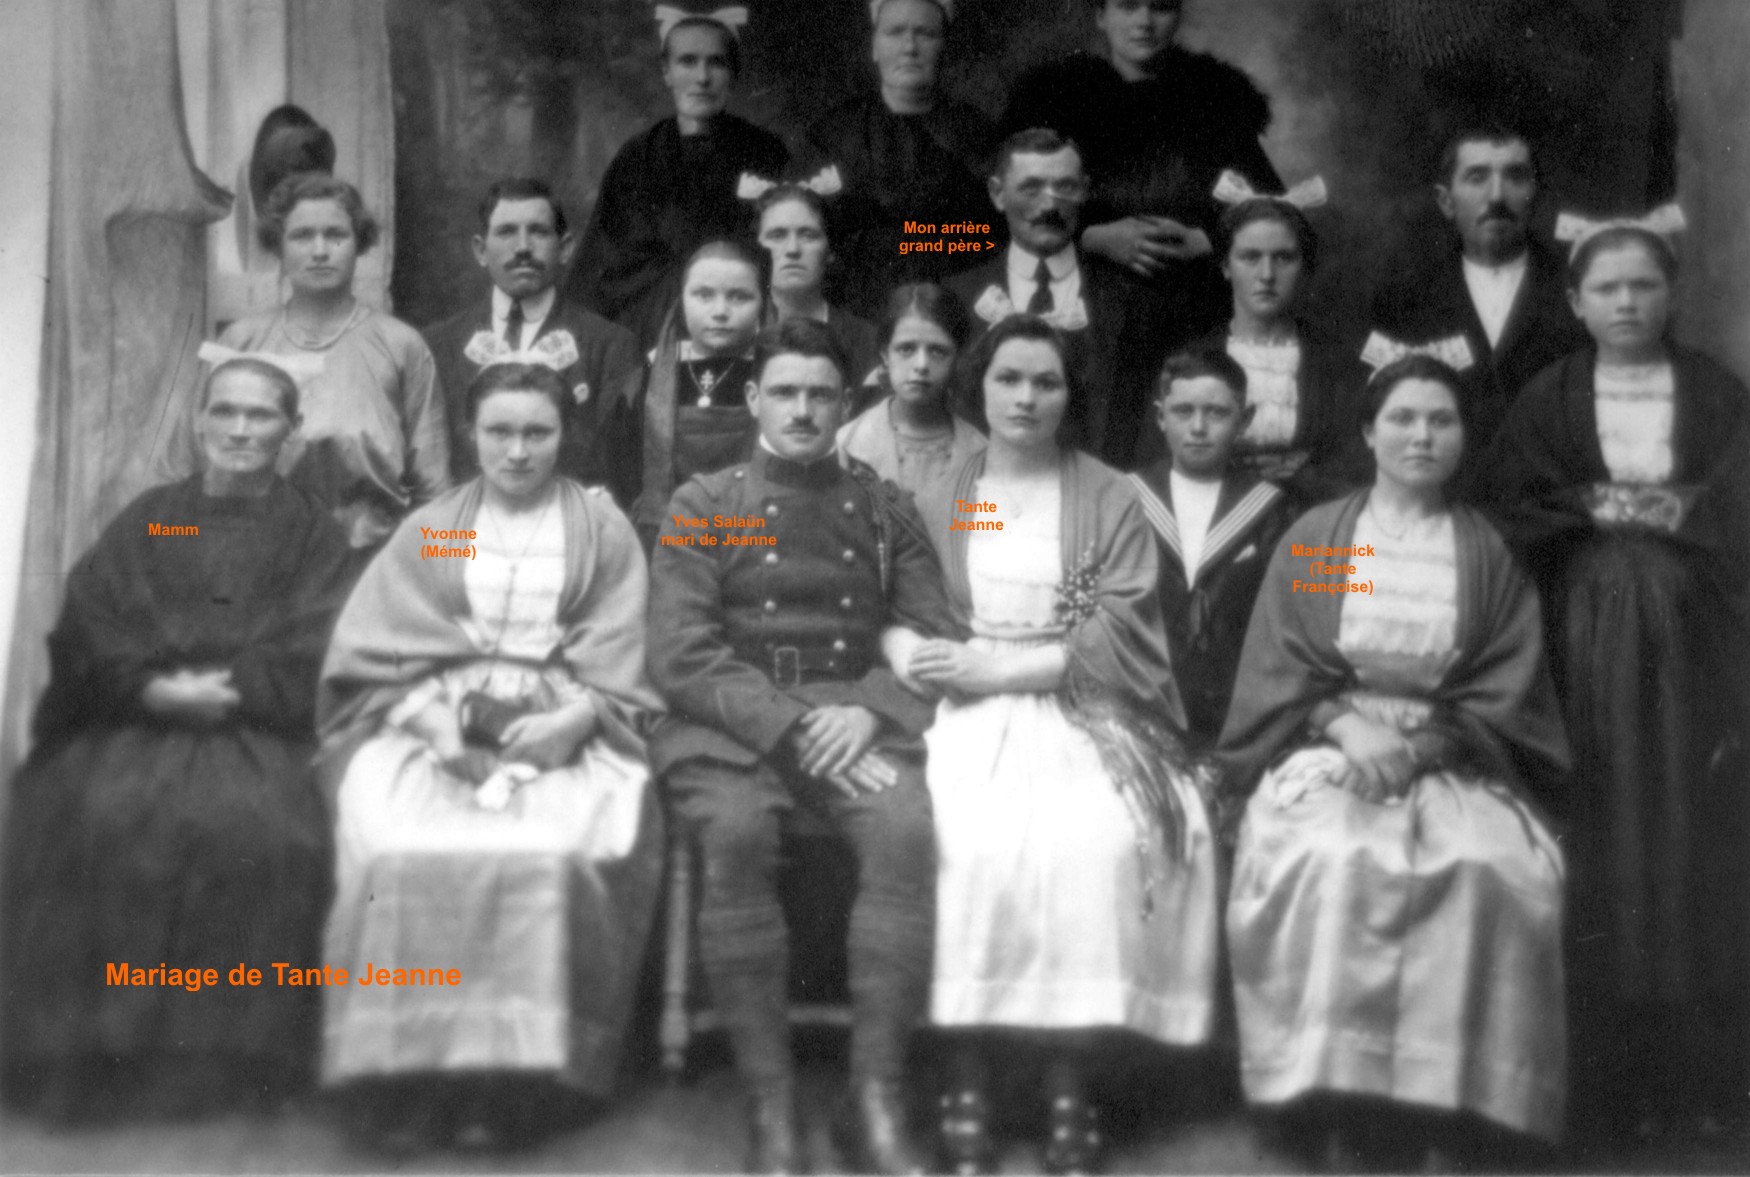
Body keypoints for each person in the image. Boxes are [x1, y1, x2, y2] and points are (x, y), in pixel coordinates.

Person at [1218, 355, 1571, 1168]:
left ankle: (1446, 1102)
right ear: (1369, 433)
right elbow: (1283, 659)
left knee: (1489, 866)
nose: (1422, 436)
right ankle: (1336, 1097)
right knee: (1331, 856)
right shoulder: (1322, 539)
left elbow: (1506, 685)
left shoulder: (1485, 550)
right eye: (1403, 418)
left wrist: (1422, 747)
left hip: (1452, 755)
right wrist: (1345, 724)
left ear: (1464, 437)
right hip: (1331, 749)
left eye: (1441, 420)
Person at [895, 315, 1218, 1175]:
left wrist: (1002, 670)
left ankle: (1071, 1077)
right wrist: (925, 656)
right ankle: (968, 1071)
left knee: (1099, 839)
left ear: (1071, 396)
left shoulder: (1108, 495)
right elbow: (904, 602)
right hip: (963, 710)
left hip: (1081, 703)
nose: (1026, 398)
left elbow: (1119, 627)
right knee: (962, 835)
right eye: (1008, 378)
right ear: (979, 386)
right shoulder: (945, 491)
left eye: (1046, 382)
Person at [315, 362, 664, 1151]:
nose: (517, 450)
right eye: (499, 431)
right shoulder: (435, 526)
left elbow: (625, 652)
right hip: (436, 718)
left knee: (545, 851)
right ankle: (404, 1074)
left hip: (567, 726)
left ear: (565, 434)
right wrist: (433, 722)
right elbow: (380, 642)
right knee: (400, 850)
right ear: (470, 433)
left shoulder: (599, 528)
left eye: (537, 432)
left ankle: (517, 1079)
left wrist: (575, 720)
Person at [647, 318, 964, 1174]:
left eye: (820, 394)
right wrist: (785, 725)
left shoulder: (883, 506)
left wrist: (871, 710)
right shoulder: (705, 504)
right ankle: (771, 1098)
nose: (801, 410)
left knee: (903, 832)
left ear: (844, 401)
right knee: (737, 833)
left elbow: (934, 633)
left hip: (851, 719)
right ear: (753, 398)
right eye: (784, 392)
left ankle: (876, 1097)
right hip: (732, 723)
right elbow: (681, 652)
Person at [0, 358, 352, 1120]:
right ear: (197, 422)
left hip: (257, 727)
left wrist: (235, 688)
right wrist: (150, 689)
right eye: (223, 411)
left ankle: (228, 1063)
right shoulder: (157, 517)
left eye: (261, 415)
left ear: (291, 430)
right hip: (140, 717)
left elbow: (321, 637)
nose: (239, 429)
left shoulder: (312, 533)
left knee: (266, 831)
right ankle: (98, 1053)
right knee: (85, 815)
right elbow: (94, 618)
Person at [1476, 219, 1750, 1140]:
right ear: (1576, 302)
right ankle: (1599, 1081)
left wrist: (1683, 514)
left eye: (1643, 286)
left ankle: (1694, 1077)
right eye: (1608, 288)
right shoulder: (1550, 398)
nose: (1627, 303)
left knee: (1686, 834)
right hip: (1581, 652)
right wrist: (1586, 509)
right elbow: (1509, 507)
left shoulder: (1715, 394)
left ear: (1672, 295)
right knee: (1596, 827)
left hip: (1692, 651)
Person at [169, 173, 450, 552]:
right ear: (278, 246)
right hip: (256, 552)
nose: (320, 251)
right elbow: (187, 466)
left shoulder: (401, 345)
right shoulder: (240, 341)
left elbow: (434, 487)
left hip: (367, 556)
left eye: (336, 235)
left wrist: (437, 561)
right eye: (302, 236)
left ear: (359, 243)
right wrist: (186, 545)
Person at [1001, 0, 1280, 325]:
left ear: (1177, 16)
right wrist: (1093, 238)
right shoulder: (1052, 101)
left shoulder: (1216, 102)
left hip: (1197, 312)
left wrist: (1205, 241)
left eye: (1160, 7)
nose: (1144, 22)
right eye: (1128, 6)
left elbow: (1275, 212)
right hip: (1085, 309)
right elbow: (1008, 213)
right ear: (1101, 16)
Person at [1369, 127, 1588, 483]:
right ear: (1446, 201)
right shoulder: (1405, 300)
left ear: (1535, 194)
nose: (1497, 195)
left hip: (1552, 499)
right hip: (1442, 495)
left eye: (1515, 177)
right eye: (1477, 177)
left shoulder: (1579, 290)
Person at [947, 128, 1171, 468]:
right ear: (997, 194)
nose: (1050, 205)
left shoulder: (1132, 303)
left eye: (1065, 187)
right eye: (1031, 188)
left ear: (1085, 191)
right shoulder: (958, 298)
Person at [570, 6, 787, 348]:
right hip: (650, 327)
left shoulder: (765, 154)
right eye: (688, 61)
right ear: (666, 72)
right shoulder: (637, 158)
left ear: (733, 73)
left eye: (716, 63)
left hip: (744, 322)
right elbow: (605, 266)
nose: (702, 78)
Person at [424, 177, 643, 504]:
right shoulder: (439, 345)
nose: (523, 247)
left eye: (538, 232)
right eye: (506, 232)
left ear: (565, 248)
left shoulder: (610, 346)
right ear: (481, 250)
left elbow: (618, 468)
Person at [1127, 348, 1296, 750]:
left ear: (1245, 420)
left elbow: (1286, 614)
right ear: (1160, 417)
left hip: (1234, 708)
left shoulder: (1270, 509)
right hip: (1142, 700)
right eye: (1183, 412)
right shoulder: (1127, 498)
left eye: (1217, 413)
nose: (1198, 427)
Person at [1167, 182, 1367, 505]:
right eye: (1250, 257)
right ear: (1225, 266)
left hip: (1312, 517)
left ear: (1304, 266)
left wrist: (1303, 479)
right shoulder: (1191, 360)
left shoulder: (1336, 361)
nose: (1267, 274)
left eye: (1284, 258)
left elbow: (1356, 461)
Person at [798, 0, 994, 317]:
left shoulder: (977, 135)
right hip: (852, 309)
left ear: (944, 46)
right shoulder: (831, 136)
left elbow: (984, 240)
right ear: (875, 47)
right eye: (895, 32)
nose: (909, 48)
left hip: (950, 305)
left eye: (925, 34)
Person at [632, 240, 768, 546]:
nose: (720, 311)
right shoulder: (652, 372)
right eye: (704, 295)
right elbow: (624, 464)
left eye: (739, 297)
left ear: (762, 302)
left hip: (752, 529)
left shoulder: (774, 373)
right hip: (668, 527)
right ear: (681, 300)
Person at [837, 282, 986, 501]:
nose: (921, 365)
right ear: (885, 354)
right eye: (906, 349)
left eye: (938, 351)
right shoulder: (849, 444)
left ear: (956, 357)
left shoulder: (981, 452)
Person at [753, 182, 881, 393]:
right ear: (757, 248)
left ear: (829, 251)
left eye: (808, 235)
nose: (792, 249)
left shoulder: (868, 343)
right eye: (777, 235)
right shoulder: (737, 336)